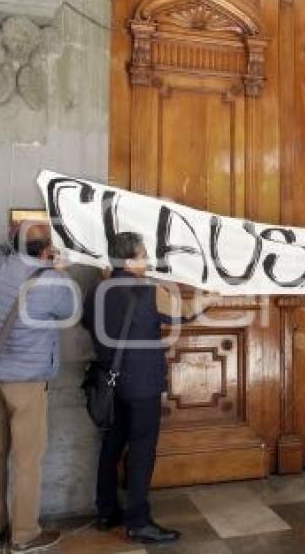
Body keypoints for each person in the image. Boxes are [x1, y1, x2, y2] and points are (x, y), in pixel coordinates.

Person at [82, 232, 219, 544]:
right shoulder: (148, 291)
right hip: (142, 383)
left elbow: (87, 324)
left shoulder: (95, 291)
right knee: (142, 450)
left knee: (111, 444)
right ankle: (138, 521)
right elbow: (181, 313)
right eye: (143, 256)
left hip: (109, 381)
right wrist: (209, 299)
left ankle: (106, 512)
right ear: (129, 260)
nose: (148, 261)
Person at [0, 222, 75, 552]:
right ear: (47, 250)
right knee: (27, 461)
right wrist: (59, 269)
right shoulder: (53, 282)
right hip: (28, 384)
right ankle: (24, 534)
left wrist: (16, 237)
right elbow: (71, 310)